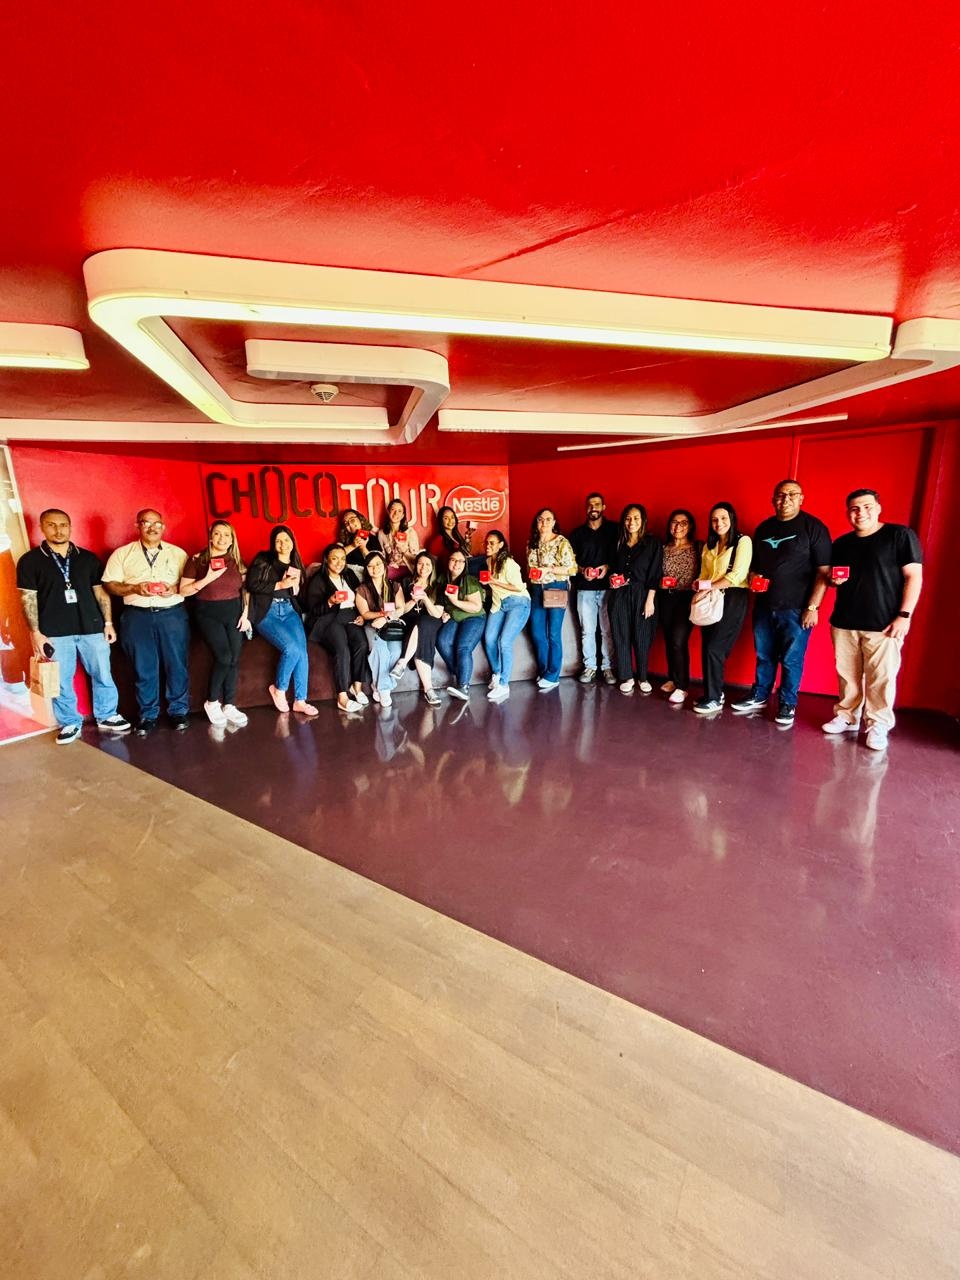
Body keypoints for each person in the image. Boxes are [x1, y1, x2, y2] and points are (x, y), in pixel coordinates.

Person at [16, 508, 130, 744]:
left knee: (103, 673)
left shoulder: (87, 558)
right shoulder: (30, 561)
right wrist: (36, 633)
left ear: (70, 527)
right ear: (42, 527)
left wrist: (108, 623)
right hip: (54, 632)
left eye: (63, 525)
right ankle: (69, 722)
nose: (58, 530)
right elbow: (28, 599)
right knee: (61, 680)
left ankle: (107, 715)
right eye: (52, 525)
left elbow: (101, 593)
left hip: (92, 627)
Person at [821, 488, 923, 751]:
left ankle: (878, 724)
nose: (861, 513)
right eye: (854, 508)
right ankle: (848, 716)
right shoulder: (842, 544)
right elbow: (832, 578)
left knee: (881, 678)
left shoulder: (899, 536)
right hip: (844, 621)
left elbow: (914, 576)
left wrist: (904, 616)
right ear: (848, 513)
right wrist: (833, 581)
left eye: (867, 507)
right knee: (847, 675)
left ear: (878, 508)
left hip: (884, 624)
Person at [732, 479, 832, 727]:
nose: (785, 499)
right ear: (773, 499)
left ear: (801, 498)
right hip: (765, 605)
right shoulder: (764, 528)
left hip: (797, 609)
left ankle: (788, 703)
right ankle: (760, 695)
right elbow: (755, 566)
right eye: (780, 495)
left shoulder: (814, 527)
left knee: (791, 659)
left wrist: (813, 607)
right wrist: (753, 576)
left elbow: (823, 572)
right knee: (764, 655)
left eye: (792, 494)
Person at [102, 508, 190, 735]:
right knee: (144, 667)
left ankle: (179, 711)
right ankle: (148, 714)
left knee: (176, 665)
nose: (152, 528)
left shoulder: (178, 553)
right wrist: (133, 588)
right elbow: (109, 584)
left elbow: (190, 584)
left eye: (157, 523)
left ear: (163, 526)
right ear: (137, 526)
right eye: (146, 523)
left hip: (172, 615)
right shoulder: (123, 554)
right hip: (137, 617)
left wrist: (174, 588)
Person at [179, 521, 250, 727]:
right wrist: (208, 578)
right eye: (217, 534)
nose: (222, 538)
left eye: (226, 535)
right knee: (224, 657)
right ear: (211, 537)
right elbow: (183, 591)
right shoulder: (197, 560)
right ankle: (211, 702)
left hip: (234, 612)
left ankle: (229, 704)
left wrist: (246, 613)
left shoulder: (237, 561)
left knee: (234, 658)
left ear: (232, 539)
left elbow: (246, 589)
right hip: (207, 613)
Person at [245, 525, 317, 717]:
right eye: (278, 541)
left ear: (292, 542)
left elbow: (298, 597)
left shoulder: (296, 564)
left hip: (289, 610)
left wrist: (295, 589)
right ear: (273, 544)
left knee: (302, 651)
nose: (283, 544)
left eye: (286, 540)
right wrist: (280, 584)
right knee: (292, 649)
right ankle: (279, 688)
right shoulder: (263, 559)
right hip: (267, 611)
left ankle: (300, 700)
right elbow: (251, 584)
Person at [692, 502, 753, 713]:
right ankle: (712, 692)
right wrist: (698, 585)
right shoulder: (709, 545)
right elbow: (704, 573)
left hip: (732, 597)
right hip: (710, 598)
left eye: (724, 518)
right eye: (715, 520)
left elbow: (737, 575)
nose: (719, 523)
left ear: (732, 519)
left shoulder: (743, 541)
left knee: (714, 648)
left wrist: (708, 586)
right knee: (707, 646)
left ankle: (714, 698)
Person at [304, 543, 369, 713]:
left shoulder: (349, 575)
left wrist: (362, 615)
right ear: (327, 560)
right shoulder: (318, 579)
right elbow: (312, 609)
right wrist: (330, 602)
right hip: (328, 619)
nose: (339, 563)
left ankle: (357, 687)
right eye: (334, 559)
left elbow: (360, 596)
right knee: (342, 648)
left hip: (350, 615)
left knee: (361, 643)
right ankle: (343, 697)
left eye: (342, 559)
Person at [608, 504, 660, 694]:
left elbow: (655, 573)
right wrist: (612, 580)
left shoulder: (652, 543)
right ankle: (627, 676)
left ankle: (643, 677)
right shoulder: (618, 543)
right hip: (619, 593)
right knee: (621, 635)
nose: (631, 522)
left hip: (643, 593)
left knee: (642, 636)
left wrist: (650, 600)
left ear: (643, 520)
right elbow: (612, 568)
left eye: (636, 518)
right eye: (628, 518)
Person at [569, 493, 618, 685]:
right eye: (590, 505)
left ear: (604, 507)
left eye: (597, 504)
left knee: (607, 631)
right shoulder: (577, 534)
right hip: (585, 589)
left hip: (608, 589)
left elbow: (623, 556)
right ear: (586, 508)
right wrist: (583, 570)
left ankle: (607, 667)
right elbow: (570, 563)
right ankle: (589, 667)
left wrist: (608, 567)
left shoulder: (615, 530)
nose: (593, 507)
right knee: (587, 631)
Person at [526, 508, 576, 691]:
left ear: (554, 522)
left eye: (548, 519)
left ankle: (553, 675)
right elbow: (529, 568)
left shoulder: (562, 542)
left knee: (554, 633)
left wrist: (549, 569)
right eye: (540, 519)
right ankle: (544, 670)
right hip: (536, 589)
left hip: (556, 587)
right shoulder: (531, 543)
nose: (544, 523)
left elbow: (572, 569)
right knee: (537, 632)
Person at [482, 529, 530, 703]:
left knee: (504, 641)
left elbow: (518, 587)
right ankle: (497, 673)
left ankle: (504, 684)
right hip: (499, 605)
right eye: (486, 543)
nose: (488, 546)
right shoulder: (488, 561)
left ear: (501, 545)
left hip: (518, 602)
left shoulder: (509, 563)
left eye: (492, 543)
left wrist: (493, 581)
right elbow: (494, 588)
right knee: (489, 639)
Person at [391, 552, 446, 705]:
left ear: (432, 567)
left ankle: (402, 662)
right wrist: (412, 600)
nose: (424, 567)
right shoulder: (405, 582)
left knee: (425, 621)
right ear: (415, 566)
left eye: (428, 564)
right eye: (420, 563)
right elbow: (401, 610)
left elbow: (437, 614)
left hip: (431, 620)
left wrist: (425, 598)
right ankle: (429, 690)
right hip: (411, 621)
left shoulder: (437, 586)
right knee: (423, 631)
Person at [657, 509, 700, 705]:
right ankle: (673, 678)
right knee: (668, 639)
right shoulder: (663, 548)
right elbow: (654, 572)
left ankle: (682, 686)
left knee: (678, 640)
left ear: (690, 527)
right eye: (674, 522)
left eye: (683, 523)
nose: (678, 526)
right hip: (666, 597)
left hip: (687, 598)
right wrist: (660, 583)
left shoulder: (697, 547)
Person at [355, 550, 405, 708]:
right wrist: (380, 615)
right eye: (370, 566)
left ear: (384, 566)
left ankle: (376, 685)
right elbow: (365, 613)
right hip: (372, 626)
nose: (375, 568)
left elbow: (401, 608)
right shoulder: (362, 589)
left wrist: (386, 618)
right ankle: (384, 690)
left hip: (392, 626)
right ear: (366, 569)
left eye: (378, 564)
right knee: (380, 650)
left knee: (396, 652)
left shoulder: (394, 586)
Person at [436, 548, 485, 700]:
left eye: (460, 561)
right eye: (453, 560)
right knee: (442, 641)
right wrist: (444, 612)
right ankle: (460, 672)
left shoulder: (469, 580)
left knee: (463, 647)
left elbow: (476, 607)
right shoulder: (442, 579)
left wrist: (455, 601)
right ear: (448, 562)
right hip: (454, 617)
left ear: (465, 564)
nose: (456, 564)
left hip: (473, 617)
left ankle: (463, 686)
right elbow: (440, 601)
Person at [379, 498, 421, 581]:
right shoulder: (381, 533)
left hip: (408, 569)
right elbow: (381, 557)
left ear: (403, 515)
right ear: (388, 512)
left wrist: (404, 550)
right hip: (390, 569)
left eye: (399, 511)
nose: (396, 513)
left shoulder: (410, 532)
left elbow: (416, 560)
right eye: (393, 510)